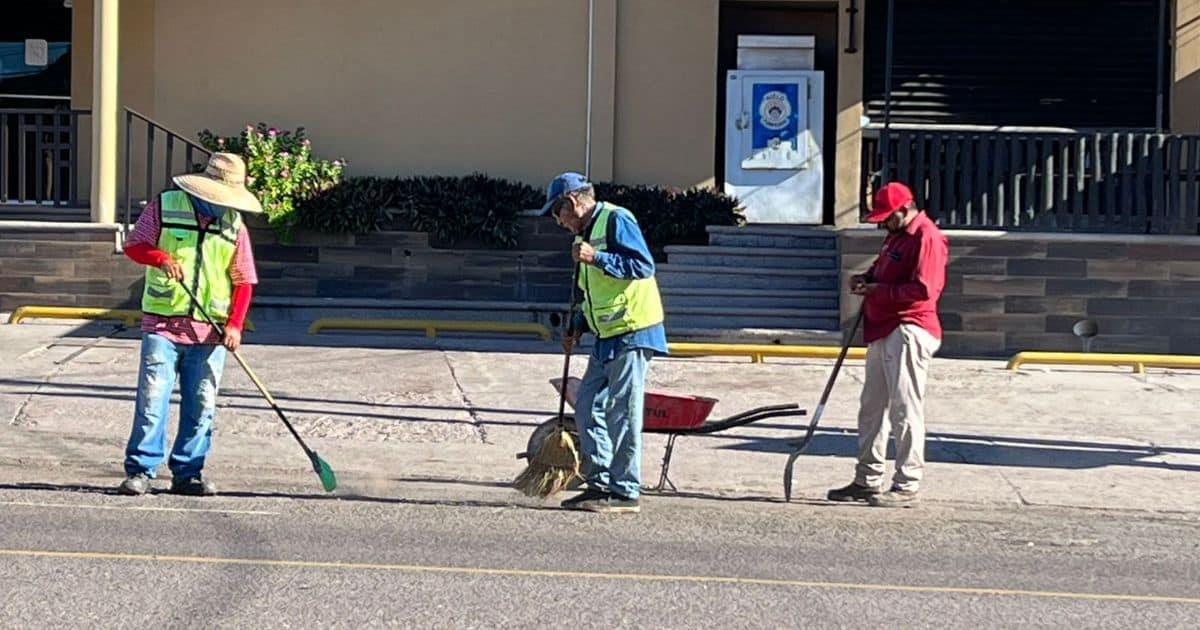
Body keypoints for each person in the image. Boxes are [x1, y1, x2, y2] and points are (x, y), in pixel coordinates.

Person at [117, 152, 262, 497]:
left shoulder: (233, 226)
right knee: (153, 399)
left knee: (202, 404)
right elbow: (135, 246)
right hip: (162, 325)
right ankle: (141, 469)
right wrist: (161, 258)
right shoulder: (164, 206)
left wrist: (235, 325)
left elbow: (244, 280)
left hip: (209, 332)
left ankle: (188, 472)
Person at [543, 172, 667, 514]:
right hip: (605, 336)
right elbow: (593, 292)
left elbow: (643, 266)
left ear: (571, 203)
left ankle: (625, 491)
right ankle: (598, 483)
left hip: (633, 330)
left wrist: (596, 258)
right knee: (586, 406)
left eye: (558, 214)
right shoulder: (585, 235)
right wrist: (578, 326)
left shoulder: (617, 219)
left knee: (622, 413)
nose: (559, 223)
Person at [828, 181, 948, 508]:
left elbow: (925, 290)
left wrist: (878, 290)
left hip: (908, 328)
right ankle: (867, 479)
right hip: (882, 327)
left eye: (886, 217)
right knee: (872, 406)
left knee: (904, 407)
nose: (882, 224)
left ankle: (907, 483)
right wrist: (866, 279)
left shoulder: (927, 238)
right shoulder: (896, 235)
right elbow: (884, 270)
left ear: (904, 209)